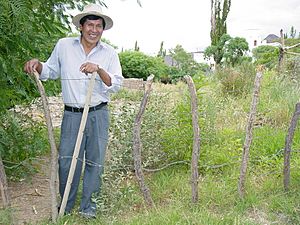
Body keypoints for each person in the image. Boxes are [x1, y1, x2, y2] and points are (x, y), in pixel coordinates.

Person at [24, 4, 123, 218]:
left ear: (103, 30)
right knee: (67, 162)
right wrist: (37, 65)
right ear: (81, 26)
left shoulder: (109, 53)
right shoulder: (64, 46)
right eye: (90, 25)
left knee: (95, 163)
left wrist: (98, 69)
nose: (94, 30)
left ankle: (89, 210)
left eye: (98, 26)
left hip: (98, 113)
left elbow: (115, 84)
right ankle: (66, 207)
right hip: (72, 114)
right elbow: (49, 70)